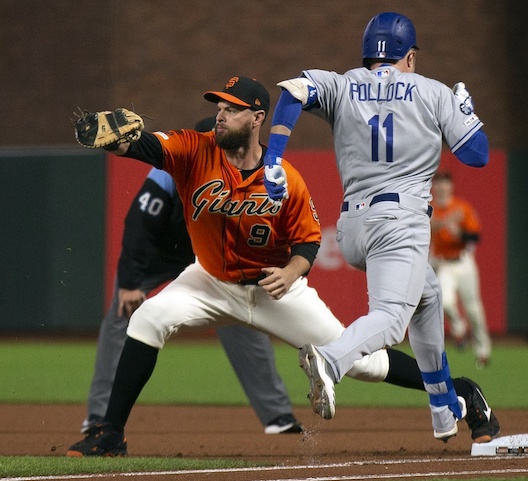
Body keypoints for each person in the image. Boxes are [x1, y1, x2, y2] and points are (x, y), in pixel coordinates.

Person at [67, 75, 499, 457]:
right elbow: (146, 144)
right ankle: (110, 435)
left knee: (366, 365)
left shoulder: (286, 178)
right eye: (217, 108)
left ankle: (460, 391)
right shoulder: (192, 150)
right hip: (210, 281)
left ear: (257, 119)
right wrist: (118, 141)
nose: (219, 116)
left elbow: (309, 240)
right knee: (148, 318)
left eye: (231, 110)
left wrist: (293, 272)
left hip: (277, 291)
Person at [262, 12, 497, 443]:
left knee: (428, 295)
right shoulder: (433, 92)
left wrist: (273, 157)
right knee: (390, 320)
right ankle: (330, 362)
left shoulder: (343, 83)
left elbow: (294, 92)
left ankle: (444, 409)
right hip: (400, 221)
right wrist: (468, 112)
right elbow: (477, 156)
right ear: (409, 56)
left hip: (353, 226)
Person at [81, 115, 303, 436]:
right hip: (160, 255)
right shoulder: (169, 170)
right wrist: (130, 284)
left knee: (244, 322)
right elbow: (139, 226)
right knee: (121, 315)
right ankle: (99, 417)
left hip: (209, 258)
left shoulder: (242, 174)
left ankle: (278, 416)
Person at [430, 170, 492, 368]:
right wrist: (443, 223)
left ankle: (483, 351)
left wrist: (460, 233)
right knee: (446, 302)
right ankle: (458, 326)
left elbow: (475, 236)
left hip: (463, 262)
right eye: (438, 184)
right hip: (443, 264)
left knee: (473, 309)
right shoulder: (429, 209)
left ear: (451, 187)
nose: (441, 188)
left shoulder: (462, 208)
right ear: (434, 187)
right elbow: (425, 226)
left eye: (445, 184)